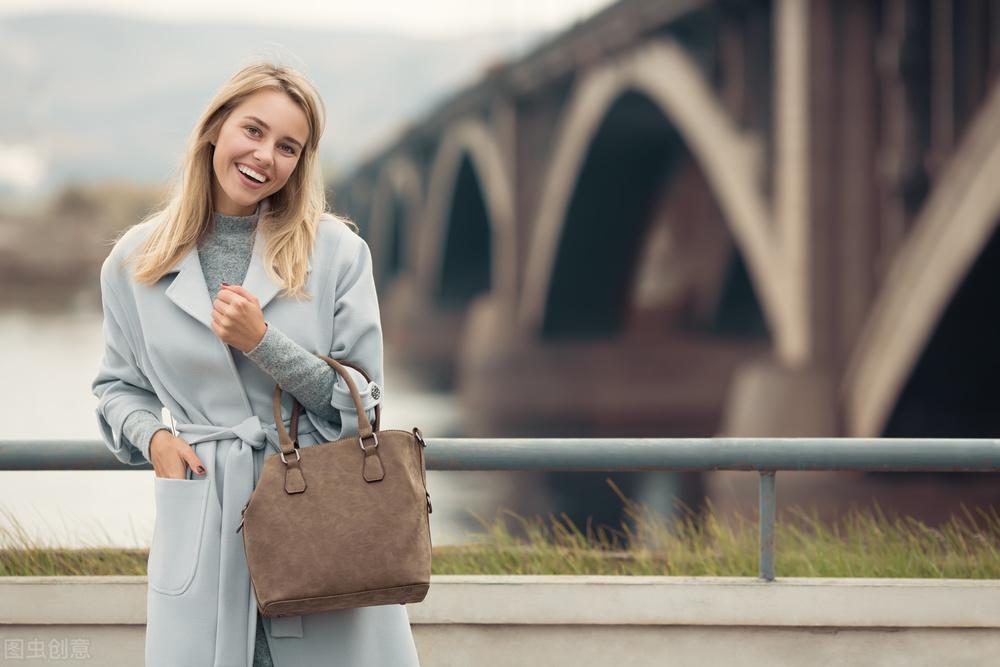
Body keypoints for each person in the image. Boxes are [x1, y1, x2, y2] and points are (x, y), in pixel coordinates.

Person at [90, 61, 421, 667]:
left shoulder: (338, 252)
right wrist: (156, 439)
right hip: (205, 514)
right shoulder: (133, 261)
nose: (265, 155)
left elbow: (363, 402)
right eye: (253, 131)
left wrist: (262, 341)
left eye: (288, 146)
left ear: (301, 162)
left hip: (321, 520)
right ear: (215, 128)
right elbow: (117, 389)